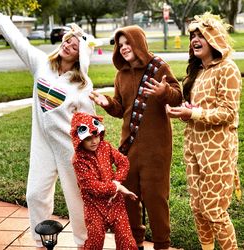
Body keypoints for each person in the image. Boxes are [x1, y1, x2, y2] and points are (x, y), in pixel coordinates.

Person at [0, 7, 101, 249]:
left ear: (79, 57)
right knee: (34, 194)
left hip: (69, 149)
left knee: (77, 199)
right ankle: (41, 240)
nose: (67, 47)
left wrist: (95, 157)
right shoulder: (41, 64)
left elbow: (89, 122)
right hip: (42, 142)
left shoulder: (82, 86)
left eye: (74, 47)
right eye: (67, 42)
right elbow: (17, 40)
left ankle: (84, 243)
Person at [89, 25, 183, 250]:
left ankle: (162, 244)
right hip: (129, 149)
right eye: (119, 45)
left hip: (156, 149)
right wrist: (108, 103)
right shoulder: (121, 75)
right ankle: (135, 243)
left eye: (127, 43)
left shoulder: (159, 67)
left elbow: (178, 97)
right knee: (129, 198)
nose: (123, 48)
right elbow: (121, 108)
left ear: (138, 42)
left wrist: (163, 93)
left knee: (156, 199)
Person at [166, 12, 242, 250]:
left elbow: (228, 112)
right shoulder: (199, 70)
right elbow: (199, 110)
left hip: (218, 150)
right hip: (193, 147)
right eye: (193, 36)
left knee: (214, 210)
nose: (195, 40)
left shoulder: (227, 69)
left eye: (201, 35)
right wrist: (184, 110)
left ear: (214, 38)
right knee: (197, 208)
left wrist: (194, 113)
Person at [70, 112, 138, 249]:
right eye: (88, 138)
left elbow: (123, 162)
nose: (94, 141)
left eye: (96, 136)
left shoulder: (105, 147)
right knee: (95, 240)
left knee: (126, 239)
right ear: (79, 140)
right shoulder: (79, 160)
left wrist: (117, 182)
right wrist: (116, 188)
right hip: (94, 207)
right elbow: (92, 186)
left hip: (115, 203)